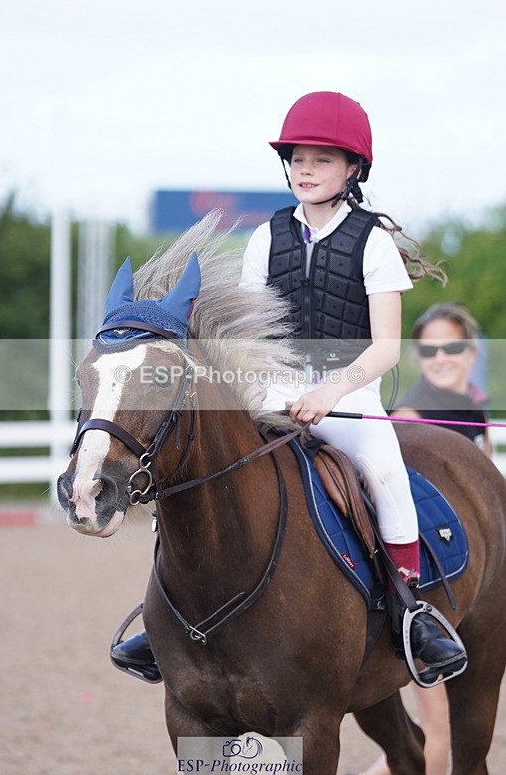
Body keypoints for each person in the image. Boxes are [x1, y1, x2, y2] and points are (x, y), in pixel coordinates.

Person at [111, 91, 467, 684]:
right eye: (298, 158)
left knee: (384, 473)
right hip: (271, 385)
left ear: (353, 169)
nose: (306, 169)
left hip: (349, 392)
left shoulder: (372, 241)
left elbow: (385, 348)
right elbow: (249, 334)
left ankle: (411, 610)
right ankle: (167, 612)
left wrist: (329, 394)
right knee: (197, 456)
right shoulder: (265, 237)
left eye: (323, 160)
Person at [355, 302, 491, 775]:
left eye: (451, 346)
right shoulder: (412, 414)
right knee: (437, 731)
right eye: (429, 350)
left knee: (427, 734)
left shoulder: (473, 405)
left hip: (467, 580)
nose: (440, 358)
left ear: (471, 352)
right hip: (429, 581)